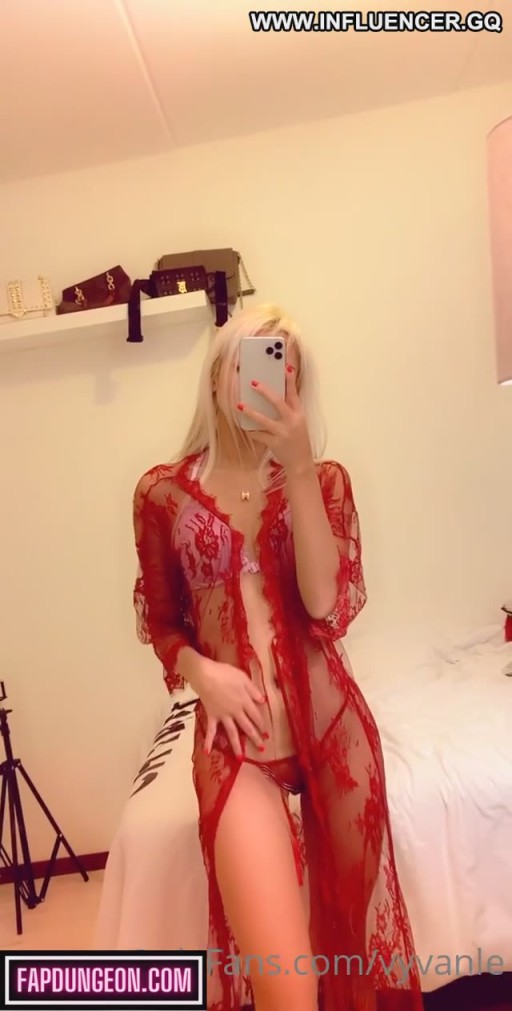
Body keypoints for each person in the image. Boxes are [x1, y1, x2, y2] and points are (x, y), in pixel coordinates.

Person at [132, 304, 423, 1011]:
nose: (271, 381)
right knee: (287, 990)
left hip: (333, 734)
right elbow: (164, 626)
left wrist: (296, 467)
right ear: (218, 375)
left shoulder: (324, 481)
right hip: (240, 745)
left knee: (349, 966)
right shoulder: (162, 494)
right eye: (256, 362)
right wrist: (203, 675)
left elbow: (326, 605)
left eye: (285, 368)